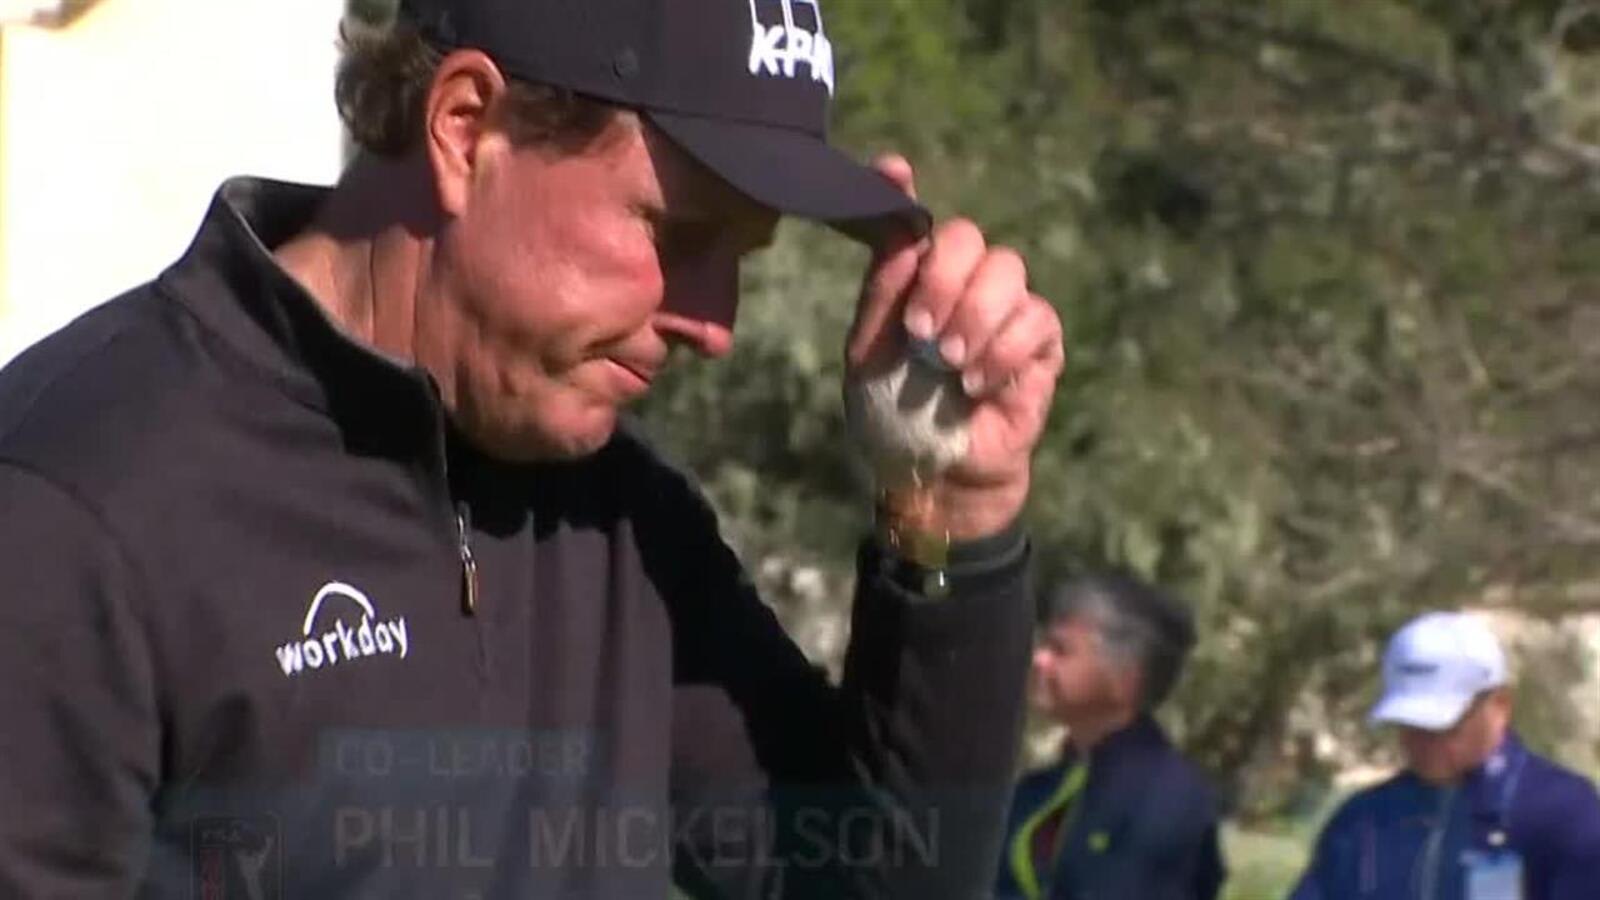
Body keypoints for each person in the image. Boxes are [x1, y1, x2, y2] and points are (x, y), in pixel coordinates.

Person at [0, 0, 1066, 897]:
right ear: (466, 126)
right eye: (679, 234)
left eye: (741, 257)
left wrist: (945, 513)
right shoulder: (74, 501)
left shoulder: (615, 519)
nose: (716, 322)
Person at [1289, 611, 1600, 900]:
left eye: (1443, 726)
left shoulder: (1564, 815)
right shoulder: (1363, 822)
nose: (1423, 742)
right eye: (1410, 724)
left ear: (1500, 705)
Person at [994, 572, 1226, 900]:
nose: (1039, 659)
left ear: (1126, 679)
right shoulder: (1041, 787)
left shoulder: (1168, 800)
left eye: (1061, 650)